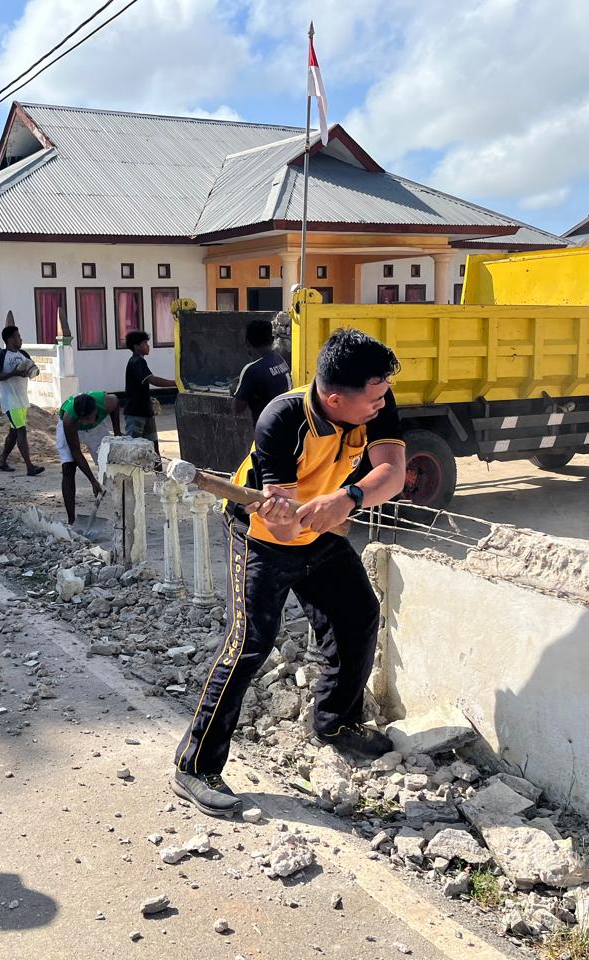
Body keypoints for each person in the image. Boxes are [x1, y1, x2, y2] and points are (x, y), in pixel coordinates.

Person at [172, 328, 408, 816]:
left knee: (359, 615)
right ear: (335, 397)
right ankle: (195, 767)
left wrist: (347, 498)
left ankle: (334, 722)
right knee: (250, 643)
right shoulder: (280, 418)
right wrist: (291, 519)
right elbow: (282, 528)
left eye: (383, 392)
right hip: (262, 536)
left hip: (324, 530)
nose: (382, 403)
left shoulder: (374, 400)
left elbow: (392, 473)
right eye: (374, 396)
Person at [57, 390, 121, 524]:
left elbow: (115, 404)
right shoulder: (69, 419)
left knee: (111, 463)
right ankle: (71, 520)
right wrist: (92, 480)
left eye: (87, 418)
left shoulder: (107, 402)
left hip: (96, 428)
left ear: (95, 411)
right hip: (72, 429)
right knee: (68, 468)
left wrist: (117, 433)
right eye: (82, 419)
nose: (85, 423)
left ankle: (121, 514)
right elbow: (76, 452)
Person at [0, 324, 43, 476]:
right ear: (10, 339)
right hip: (9, 400)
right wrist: (13, 373)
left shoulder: (23, 354)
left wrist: (29, 372)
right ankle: (29, 466)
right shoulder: (0, 356)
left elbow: (34, 370)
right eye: (18, 336)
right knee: (21, 430)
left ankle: (2, 461)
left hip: (22, 399)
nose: (21, 339)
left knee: (14, 431)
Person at [233, 318, 292, 425]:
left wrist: (235, 389)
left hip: (267, 433)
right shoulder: (279, 359)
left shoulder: (251, 370)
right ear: (272, 339)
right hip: (285, 426)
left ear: (246, 343)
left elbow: (238, 408)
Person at [123, 330, 175, 453]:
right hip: (136, 413)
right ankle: (153, 471)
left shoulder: (138, 361)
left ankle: (157, 471)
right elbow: (153, 380)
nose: (148, 346)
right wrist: (175, 383)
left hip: (145, 411)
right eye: (145, 343)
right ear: (136, 347)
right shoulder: (137, 362)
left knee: (152, 448)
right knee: (134, 448)